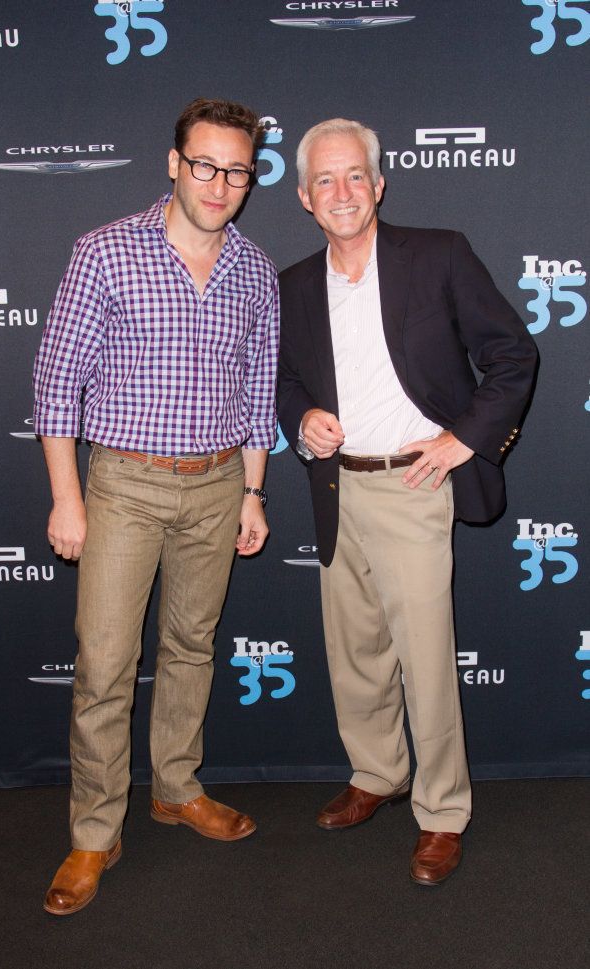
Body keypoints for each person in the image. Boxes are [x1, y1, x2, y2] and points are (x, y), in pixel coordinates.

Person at [34, 98, 279, 915]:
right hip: (124, 486)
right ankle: (95, 833)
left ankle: (176, 786)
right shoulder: (105, 251)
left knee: (190, 645)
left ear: (251, 177)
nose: (218, 183)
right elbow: (55, 378)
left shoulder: (252, 268)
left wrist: (251, 490)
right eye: (203, 164)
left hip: (216, 486)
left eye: (235, 169)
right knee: (105, 663)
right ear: (174, 163)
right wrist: (66, 496)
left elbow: (257, 390)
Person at [277, 118, 537, 885]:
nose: (341, 191)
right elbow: (285, 378)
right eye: (324, 180)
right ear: (303, 197)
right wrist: (299, 417)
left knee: (424, 661)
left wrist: (464, 437)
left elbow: (510, 352)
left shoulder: (438, 253)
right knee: (354, 652)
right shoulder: (291, 284)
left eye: (354, 175)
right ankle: (377, 772)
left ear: (379, 183)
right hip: (336, 487)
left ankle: (442, 810)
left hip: (414, 484)